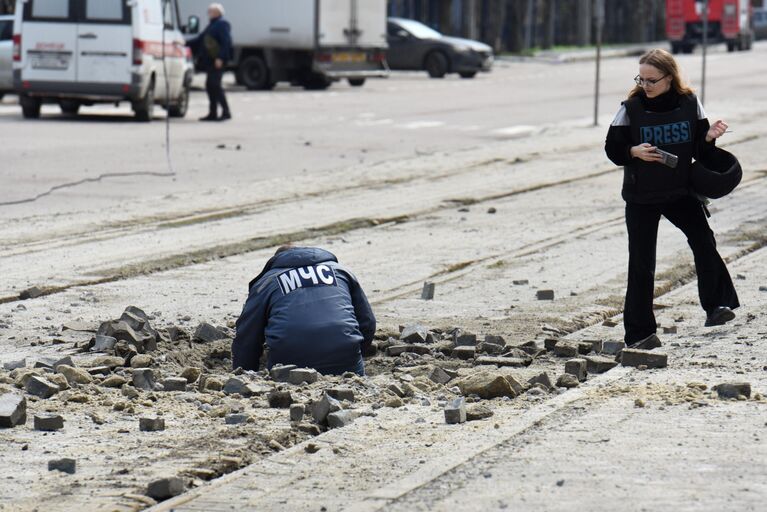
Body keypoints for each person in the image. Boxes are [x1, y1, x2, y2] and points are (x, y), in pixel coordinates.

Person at [604, 48, 739, 349]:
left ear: (670, 78)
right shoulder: (631, 107)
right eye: (642, 79)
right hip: (641, 195)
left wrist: (709, 137)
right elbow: (613, 149)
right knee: (641, 262)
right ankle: (640, 334)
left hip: (679, 190)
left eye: (652, 80)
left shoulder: (690, 103)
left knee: (704, 242)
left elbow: (700, 152)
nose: (645, 86)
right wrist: (633, 152)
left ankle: (717, 306)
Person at [232, 246, 376, 376]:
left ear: (276, 261)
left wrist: (243, 372)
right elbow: (367, 322)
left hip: (289, 366)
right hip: (345, 361)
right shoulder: (341, 271)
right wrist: (354, 353)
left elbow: (247, 334)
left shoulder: (267, 281)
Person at [188, 3, 233, 121]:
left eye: (211, 11)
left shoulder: (222, 24)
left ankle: (226, 112)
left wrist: (221, 58)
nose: (208, 13)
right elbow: (200, 39)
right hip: (210, 61)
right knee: (210, 86)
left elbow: (225, 42)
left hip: (217, 61)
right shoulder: (212, 25)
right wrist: (184, 43)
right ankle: (212, 113)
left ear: (217, 12)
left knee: (215, 85)